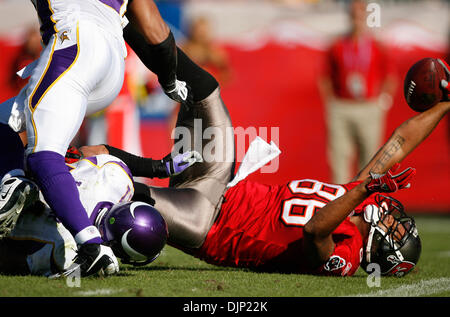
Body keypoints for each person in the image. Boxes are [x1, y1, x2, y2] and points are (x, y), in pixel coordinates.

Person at [79, 45, 450, 277]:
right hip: (220, 181)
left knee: (110, 187)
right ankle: (127, 23)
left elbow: (316, 230)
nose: (392, 218)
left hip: (205, 223)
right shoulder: (358, 195)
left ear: (385, 251)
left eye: (396, 230)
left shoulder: (349, 253)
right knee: (201, 89)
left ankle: (47, 198)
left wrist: (362, 189)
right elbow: (399, 142)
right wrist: (447, 104)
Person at [0, 0, 192, 277]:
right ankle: (13, 180)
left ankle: (92, 247)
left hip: (75, 41)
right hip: (113, 60)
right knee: (7, 125)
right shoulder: (114, 182)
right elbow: (155, 28)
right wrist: (170, 77)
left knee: (44, 153)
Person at [318, 0, 398, 184]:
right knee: (339, 158)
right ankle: (339, 206)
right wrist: (331, 102)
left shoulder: (376, 45)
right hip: (342, 106)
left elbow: (390, 76)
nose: (357, 19)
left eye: (360, 14)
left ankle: (366, 205)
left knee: (370, 159)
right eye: (354, 14)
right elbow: (324, 76)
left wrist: (382, 101)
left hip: (368, 106)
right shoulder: (338, 44)